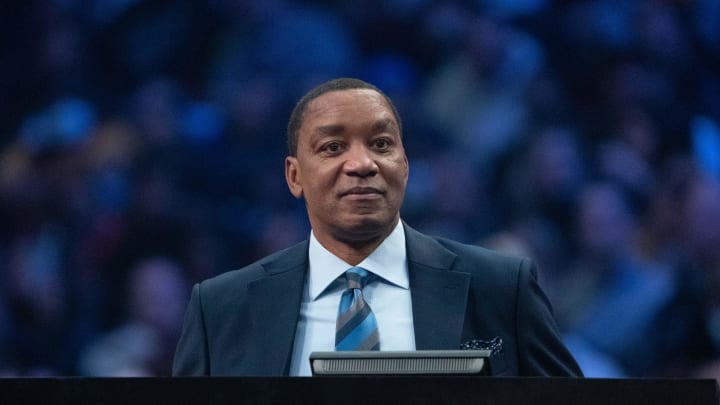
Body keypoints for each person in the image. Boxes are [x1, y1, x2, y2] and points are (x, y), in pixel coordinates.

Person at [172, 77, 582, 377]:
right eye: (332, 147)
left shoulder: (500, 288)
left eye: (382, 144)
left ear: (405, 166)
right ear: (294, 177)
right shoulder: (222, 309)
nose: (362, 164)